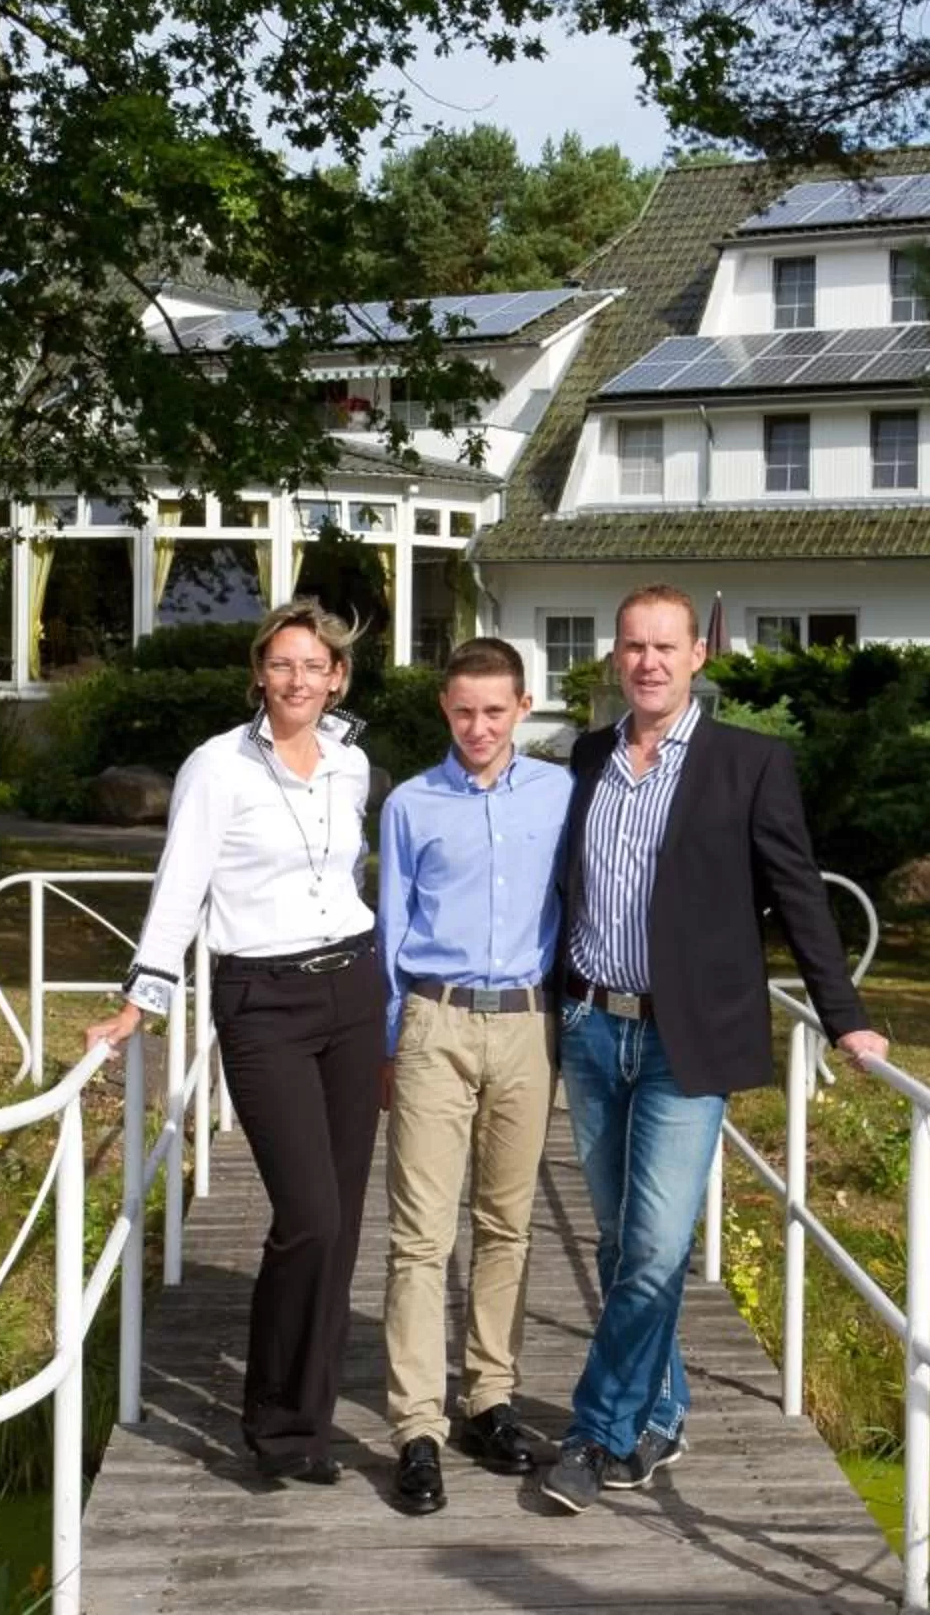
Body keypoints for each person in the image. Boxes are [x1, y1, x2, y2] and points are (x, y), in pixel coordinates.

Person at [533, 583, 889, 1514]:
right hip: (589, 1027)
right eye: (632, 646)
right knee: (619, 1242)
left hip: (683, 1040)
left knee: (654, 1249)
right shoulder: (587, 757)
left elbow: (800, 895)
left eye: (665, 647)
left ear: (698, 658)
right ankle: (663, 1414)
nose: (647, 661)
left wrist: (843, 1013)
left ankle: (594, 1432)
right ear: (615, 658)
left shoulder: (750, 764)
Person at [85, 598, 377, 1486]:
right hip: (264, 1000)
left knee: (344, 1223)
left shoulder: (353, 764)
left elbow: (353, 877)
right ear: (260, 673)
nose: (298, 680)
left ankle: (307, 1421)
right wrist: (145, 996)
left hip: (354, 990)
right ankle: (274, 1422)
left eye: (313, 666)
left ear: (337, 677)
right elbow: (182, 886)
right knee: (308, 1214)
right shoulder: (217, 766)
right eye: (281, 664)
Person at [373, 637, 573, 1516]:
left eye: (496, 711)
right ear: (444, 711)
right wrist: (391, 1042)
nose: (479, 727)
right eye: (464, 712)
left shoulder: (561, 795)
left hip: (528, 1024)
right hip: (434, 1020)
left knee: (508, 1224)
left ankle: (488, 1399)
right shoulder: (411, 804)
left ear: (522, 710)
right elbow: (390, 925)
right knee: (420, 1236)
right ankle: (416, 1425)